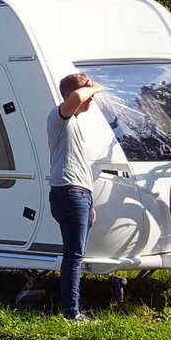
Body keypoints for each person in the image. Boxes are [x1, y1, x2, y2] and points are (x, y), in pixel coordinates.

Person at [47, 73, 102, 322]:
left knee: (75, 255)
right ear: (68, 95)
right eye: (85, 91)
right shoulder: (59, 117)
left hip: (79, 195)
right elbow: (80, 96)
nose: (91, 97)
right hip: (69, 194)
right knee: (74, 257)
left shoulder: (75, 122)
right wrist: (94, 86)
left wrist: (90, 200)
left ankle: (73, 311)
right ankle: (72, 314)